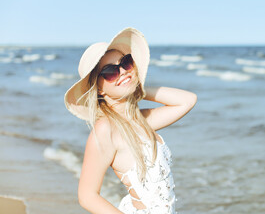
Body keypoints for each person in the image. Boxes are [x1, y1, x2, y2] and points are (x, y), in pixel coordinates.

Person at [64, 27, 197, 214]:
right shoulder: (106, 130)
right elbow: (87, 196)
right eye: (110, 71)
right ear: (99, 89)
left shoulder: (142, 120)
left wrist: (138, 87)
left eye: (126, 63)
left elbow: (187, 101)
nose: (122, 72)